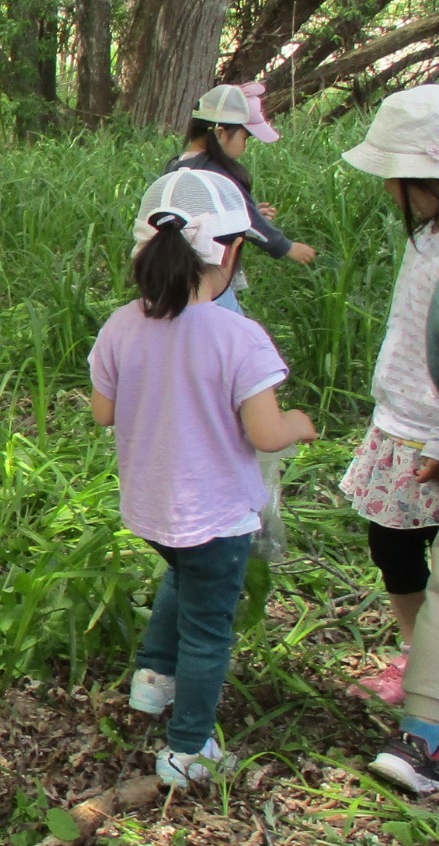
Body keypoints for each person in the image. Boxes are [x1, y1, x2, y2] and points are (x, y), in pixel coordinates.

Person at [90, 167, 317, 788]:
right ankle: (188, 748)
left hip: (151, 507)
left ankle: (152, 676)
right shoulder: (238, 336)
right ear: (233, 252)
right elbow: (265, 433)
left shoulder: (120, 324)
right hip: (217, 514)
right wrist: (299, 422)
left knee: (181, 572)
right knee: (209, 628)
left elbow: (104, 412)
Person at [334, 86, 439, 707]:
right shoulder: (428, 235)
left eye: (400, 177)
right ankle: (418, 650)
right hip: (397, 419)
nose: (391, 190)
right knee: (391, 544)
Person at [366, 91, 439, 796]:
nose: (389, 189)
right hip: (423, 424)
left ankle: (426, 726)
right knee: (412, 550)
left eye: (400, 175)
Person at [166, 82, 316, 312]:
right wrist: (287, 247)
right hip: (210, 276)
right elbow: (250, 221)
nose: (245, 147)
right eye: (245, 138)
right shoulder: (217, 172)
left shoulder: (176, 165)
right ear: (220, 133)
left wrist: (250, 211)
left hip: (174, 274)